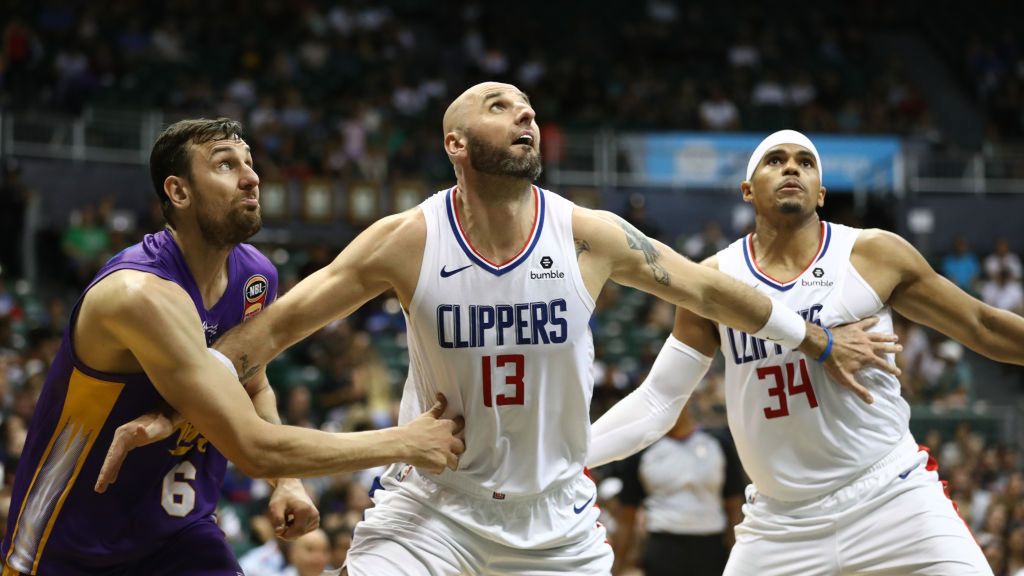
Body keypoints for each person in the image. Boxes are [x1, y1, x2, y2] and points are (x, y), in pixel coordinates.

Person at [99, 86, 894, 575]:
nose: (524, 115)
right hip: (432, 508)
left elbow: (718, 293)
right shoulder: (405, 239)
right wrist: (175, 408)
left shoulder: (590, 233)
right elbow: (265, 337)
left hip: (553, 520)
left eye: (529, 110)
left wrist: (817, 339)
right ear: (456, 142)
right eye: (499, 106)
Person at [0, 119, 465, 576]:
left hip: (179, 534)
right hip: (71, 546)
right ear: (178, 193)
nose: (252, 177)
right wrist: (404, 442)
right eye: (225, 165)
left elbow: (254, 384)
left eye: (250, 162)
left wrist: (287, 481)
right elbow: (252, 449)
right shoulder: (138, 295)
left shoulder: (254, 276)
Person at [589, 130, 1024, 574]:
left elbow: (982, 325)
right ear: (747, 190)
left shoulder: (872, 254)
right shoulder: (716, 279)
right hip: (781, 522)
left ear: (821, 193)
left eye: (805, 162)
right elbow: (659, 399)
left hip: (890, 495)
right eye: (774, 160)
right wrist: (569, 458)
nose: (792, 167)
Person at [610, 403, 745, 576]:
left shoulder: (719, 444)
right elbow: (626, 519)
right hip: (663, 548)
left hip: (711, 548)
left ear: (687, 399)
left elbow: (734, 508)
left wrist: (739, 560)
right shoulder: (640, 452)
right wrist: (616, 569)